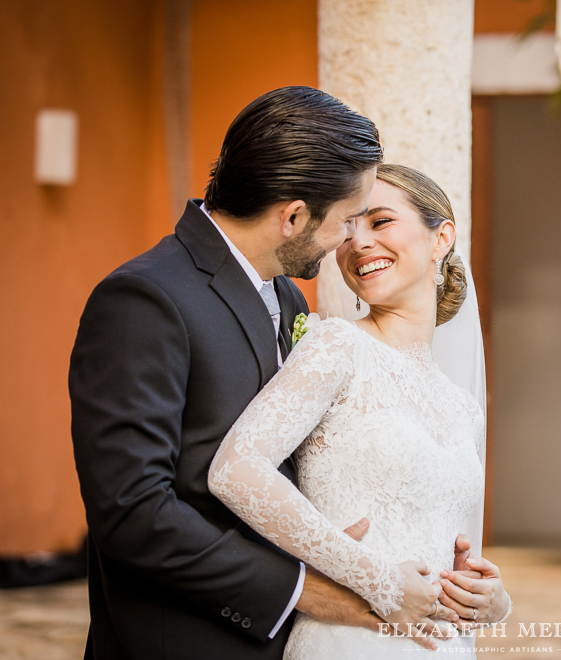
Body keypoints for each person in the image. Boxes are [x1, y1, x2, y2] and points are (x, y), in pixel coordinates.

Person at [70, 86, 408, 660]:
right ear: (293, 216)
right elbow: (131, 511)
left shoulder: (286, 297)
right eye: (347, 219)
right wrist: (303, 591)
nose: (351, 239)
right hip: (184, 640)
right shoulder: (144, 300)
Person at [208, 164, 512, 659]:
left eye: (380, 222)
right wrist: (374, 579)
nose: (358, 243)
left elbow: (448, 540)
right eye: (349, 229)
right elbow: (235, 470)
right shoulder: (336, 345)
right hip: (350, 642)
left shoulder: (462, 407)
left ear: (442, 239)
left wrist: (489, 602)